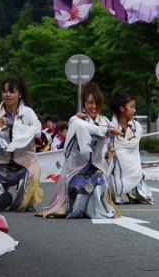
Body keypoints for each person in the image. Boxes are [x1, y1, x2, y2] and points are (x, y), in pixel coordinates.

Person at [41, 83, 116, 219]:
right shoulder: (75, 120)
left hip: (97, 167)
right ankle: (79, 209)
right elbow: (85, 128)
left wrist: (110, 153)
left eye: (96, 102)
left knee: (99, 183)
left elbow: (110, 145)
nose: (93, 106)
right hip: (77, 169)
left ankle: (95, 210)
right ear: (83, 103)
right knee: (82, 187)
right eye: (90, 102)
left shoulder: (105, 121)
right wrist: (105, 130)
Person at [0, 78, 44, 211]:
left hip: (26, 161)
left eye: (12, 91)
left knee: (22, 203)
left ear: (20, 94)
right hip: (2, 160)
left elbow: (37, 131)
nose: (7, 95)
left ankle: (25, 201)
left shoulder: (28, 113)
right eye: (4, 91)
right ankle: (2, 197)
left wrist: (13, 124)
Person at [108, 93, 153, 205]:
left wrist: (120, 136)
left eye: (134, 107)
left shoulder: (137, 126)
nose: (135, 110)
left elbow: (132, 145)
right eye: (132, 107)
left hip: (134, 170)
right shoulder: (109, 126)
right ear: (122, 108)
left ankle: (130, 191)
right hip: (115, 170)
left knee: (140, 192)